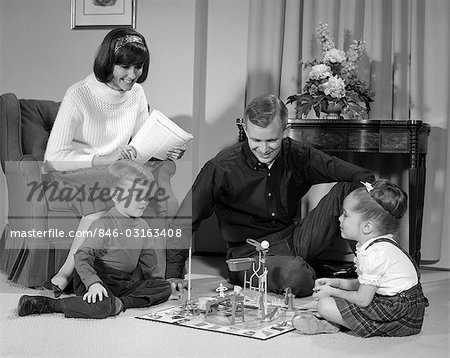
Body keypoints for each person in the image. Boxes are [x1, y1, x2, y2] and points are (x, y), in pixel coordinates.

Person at [165, 94, 375, 297]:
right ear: (245, 130)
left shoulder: (299, 155)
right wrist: (174, 273)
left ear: (285, 130)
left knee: (353, 188)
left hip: (295, 239)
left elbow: (362, 176)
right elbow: (184, 220)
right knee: (296, 277)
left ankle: (372, 270)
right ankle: (303, 271)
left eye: (272, 140)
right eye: (256, 140)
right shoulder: (221, 168)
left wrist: (372, 210)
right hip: (248, 256)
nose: (264, 149)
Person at [42, 27, 185, 296]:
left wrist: (165, 151)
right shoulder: (79, 94)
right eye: (126, 67)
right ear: (109, 62)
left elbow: (142, 142)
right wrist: (102, 158)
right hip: (73, 169)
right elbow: (54, 157)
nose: (133, 76)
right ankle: (65, 272)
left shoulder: (137, 94)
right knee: (110, 192)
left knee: (116, 191)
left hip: (114, 169)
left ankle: (72, 273)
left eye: (139, 67)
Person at [17, 160, 174, 319]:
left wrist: (160, 286)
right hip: (96, 276)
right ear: (116, 195)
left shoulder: (143, 227)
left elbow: (150, 265)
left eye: (147, 195)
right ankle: (49, 304)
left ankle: (119, 303)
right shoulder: (103, 225)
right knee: (100, 306)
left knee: (164, 287)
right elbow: (82, 258)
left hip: (123, 282)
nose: (144, 201)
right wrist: (93, 284)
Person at [292, 179, 428, 337]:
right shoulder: (379, 244)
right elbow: (367, 284)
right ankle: (333, 322)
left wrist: (333, 292)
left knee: (325, 305)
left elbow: (363, 299)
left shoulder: (375, 254)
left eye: (345, 215)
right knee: (330, 302)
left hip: (399, 313)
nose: (340, 219)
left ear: (367, 227)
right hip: (401, 304)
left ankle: (332, 324)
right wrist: (338, 283)